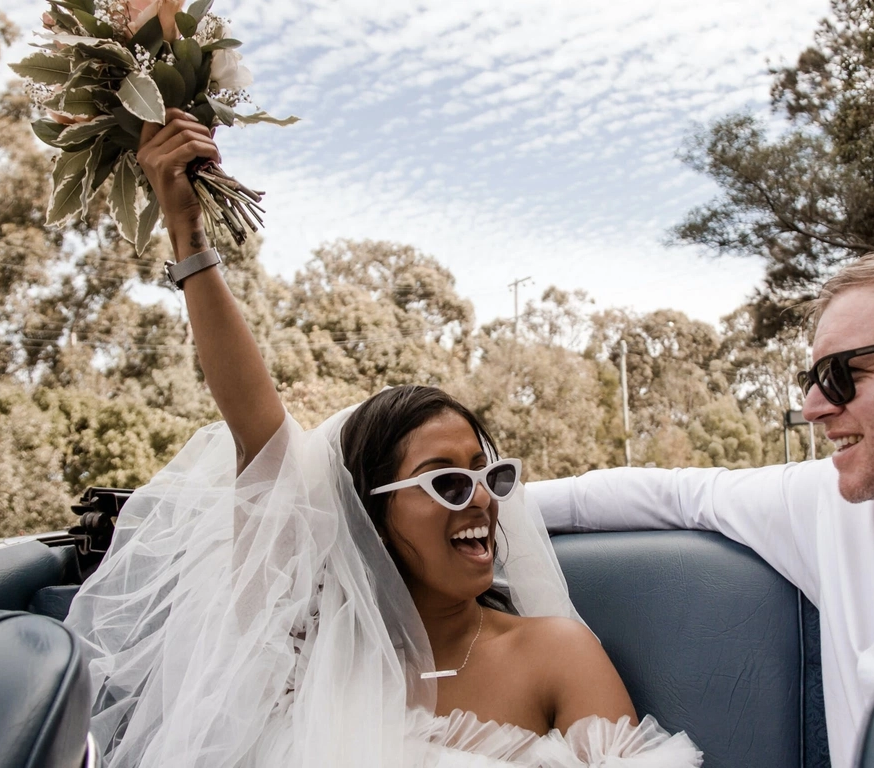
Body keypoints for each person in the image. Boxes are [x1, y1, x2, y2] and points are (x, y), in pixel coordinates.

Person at [63, 109, 702, 768]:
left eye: (489, 476)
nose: (481, 499)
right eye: (446, 481)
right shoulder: (313, 663)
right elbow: (262, 436)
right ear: (369, 511)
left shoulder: (555, 654)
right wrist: (186, 233)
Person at [529, 235, 874, 768]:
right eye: (812, 379)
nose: (813, 407)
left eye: (844, 374)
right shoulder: (831, 502)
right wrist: (477, 503)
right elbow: (675, 493)